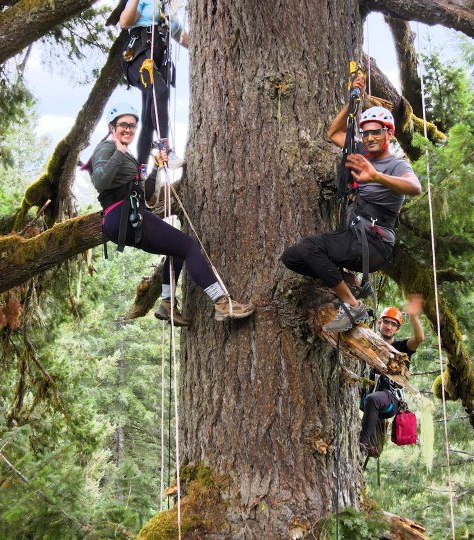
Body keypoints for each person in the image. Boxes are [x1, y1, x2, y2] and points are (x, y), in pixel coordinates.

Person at [280, 75, 422, 332]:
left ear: (388, 133)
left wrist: (376, 175)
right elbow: (334, 133)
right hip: (355, 236)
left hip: (375, 243)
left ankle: (353, 305)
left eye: (375, 132)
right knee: (292, 257)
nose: (369, 138)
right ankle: (352, 281)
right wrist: (352, 100)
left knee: (310, 246)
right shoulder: (359, 151)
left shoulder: (397, 164)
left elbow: (415, 187)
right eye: (365, 133)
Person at [90, 103, 255, 324]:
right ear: (112, 127)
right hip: (121, 215)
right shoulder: (108, 148)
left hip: (127, 218)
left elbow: (146, 193)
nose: (128, 129)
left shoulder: (126, 154)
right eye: (123, 125)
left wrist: (157, 166)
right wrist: (119, 153)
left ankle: (167, 304)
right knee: (188, 247)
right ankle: (222, 302)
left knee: (176, 250)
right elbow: (99, 181)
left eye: (132, 125)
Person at [118, 0, 188, 169]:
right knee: (160, 91)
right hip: (138, 53)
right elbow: (125, 22)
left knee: (150, 114)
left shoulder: (170, 7)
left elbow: (185, 39)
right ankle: (166, 150)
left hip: (159, 58)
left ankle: (141, 171)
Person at [359, 295, 425, 457]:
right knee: (368, 398)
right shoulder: (368, 345)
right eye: (386, 322)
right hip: (366, 397)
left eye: (393, 324)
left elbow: (419, 339)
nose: (389, 326)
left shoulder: (401, 347)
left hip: (390, 399)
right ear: (379, 324)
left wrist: (414, 317)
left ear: (397, 329)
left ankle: (362, 442)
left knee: (373, 399)